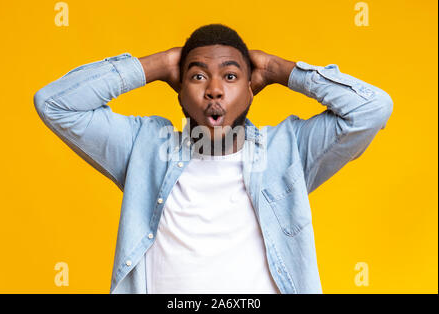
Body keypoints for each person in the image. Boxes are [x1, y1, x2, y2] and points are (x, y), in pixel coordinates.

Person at [33, 23, 393, 294]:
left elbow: (373, 109)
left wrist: (280, 69)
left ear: (251, 91)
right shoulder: (143, 147)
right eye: (198, 76)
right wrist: (159, 64)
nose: (215, 89)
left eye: (231, 76)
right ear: (179, 92)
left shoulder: (288, 149)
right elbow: (55, 103)